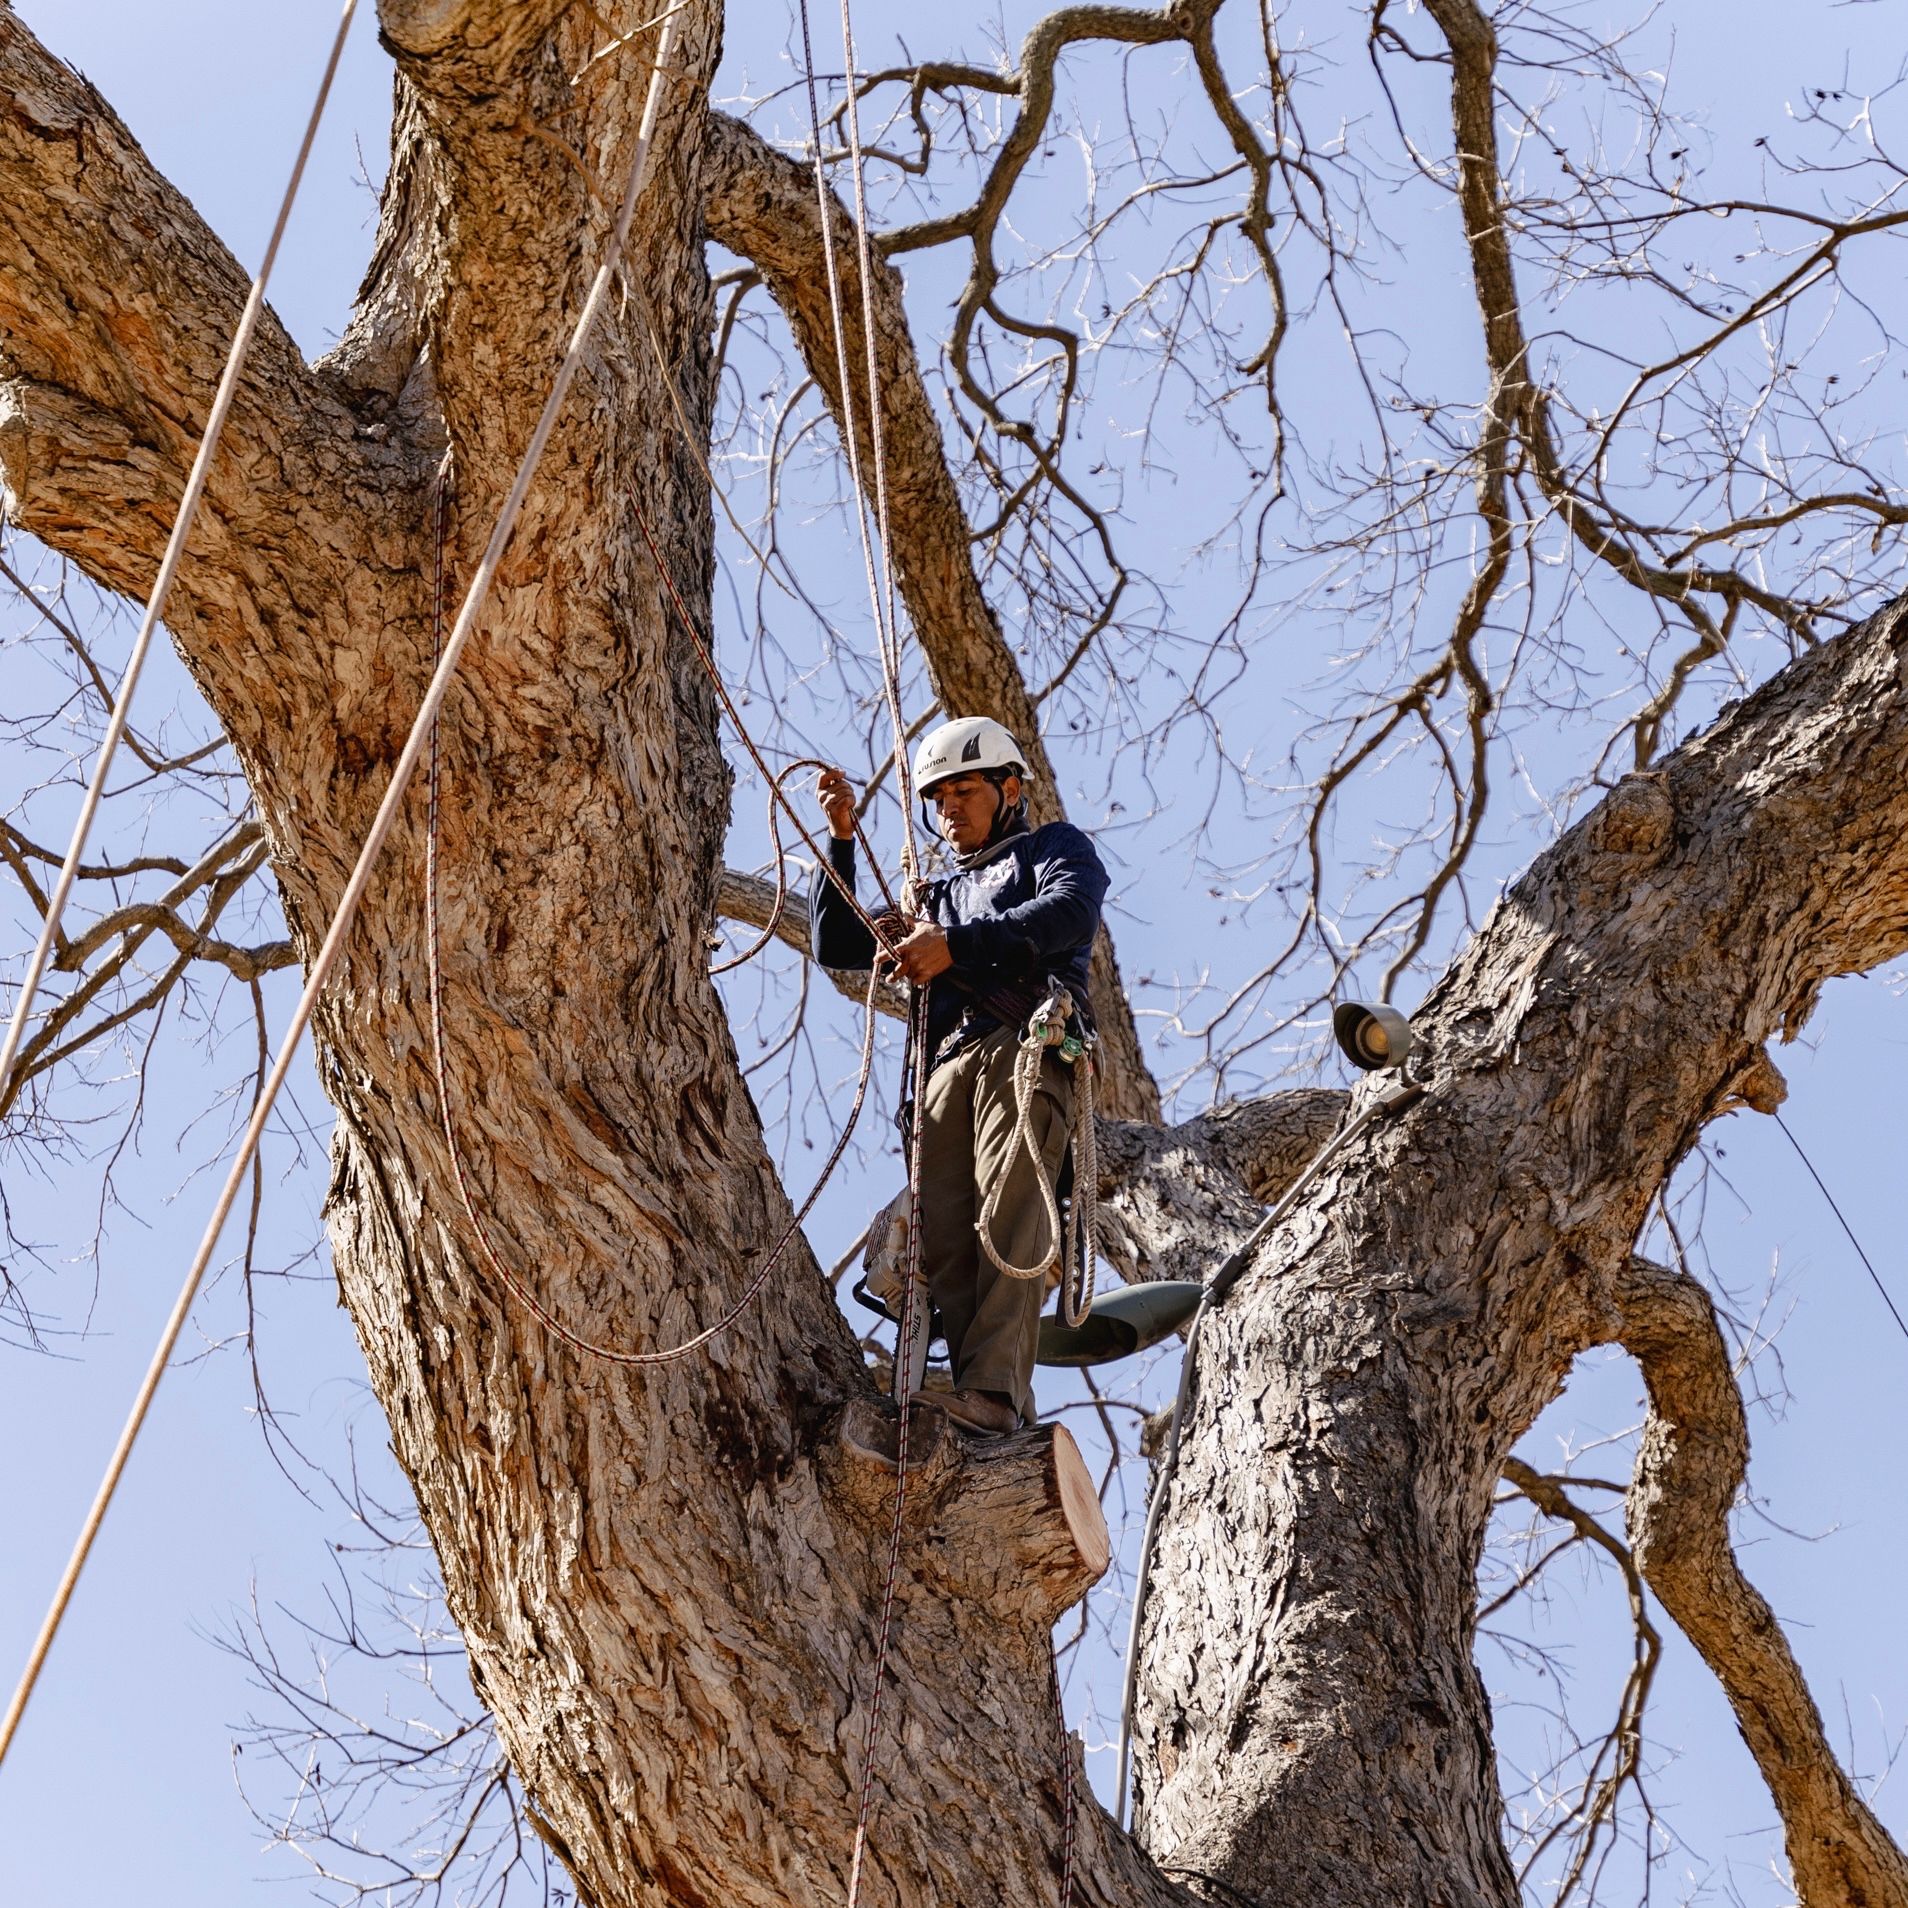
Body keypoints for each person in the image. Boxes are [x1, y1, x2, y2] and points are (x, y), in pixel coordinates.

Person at [812, 717, 1109, 1437]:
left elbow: (1068, 912)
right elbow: (837, 941)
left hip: (1022, 1041)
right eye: (937, 798)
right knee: (943, 1236)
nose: (948, 810)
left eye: (963, 792)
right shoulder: (934, 899)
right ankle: (960, 1390)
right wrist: (843, 841)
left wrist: (956, 948)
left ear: (1009, 788)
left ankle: (997, 1395)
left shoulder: (1052, 851)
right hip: (946, 1067)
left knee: (1009, 1211)